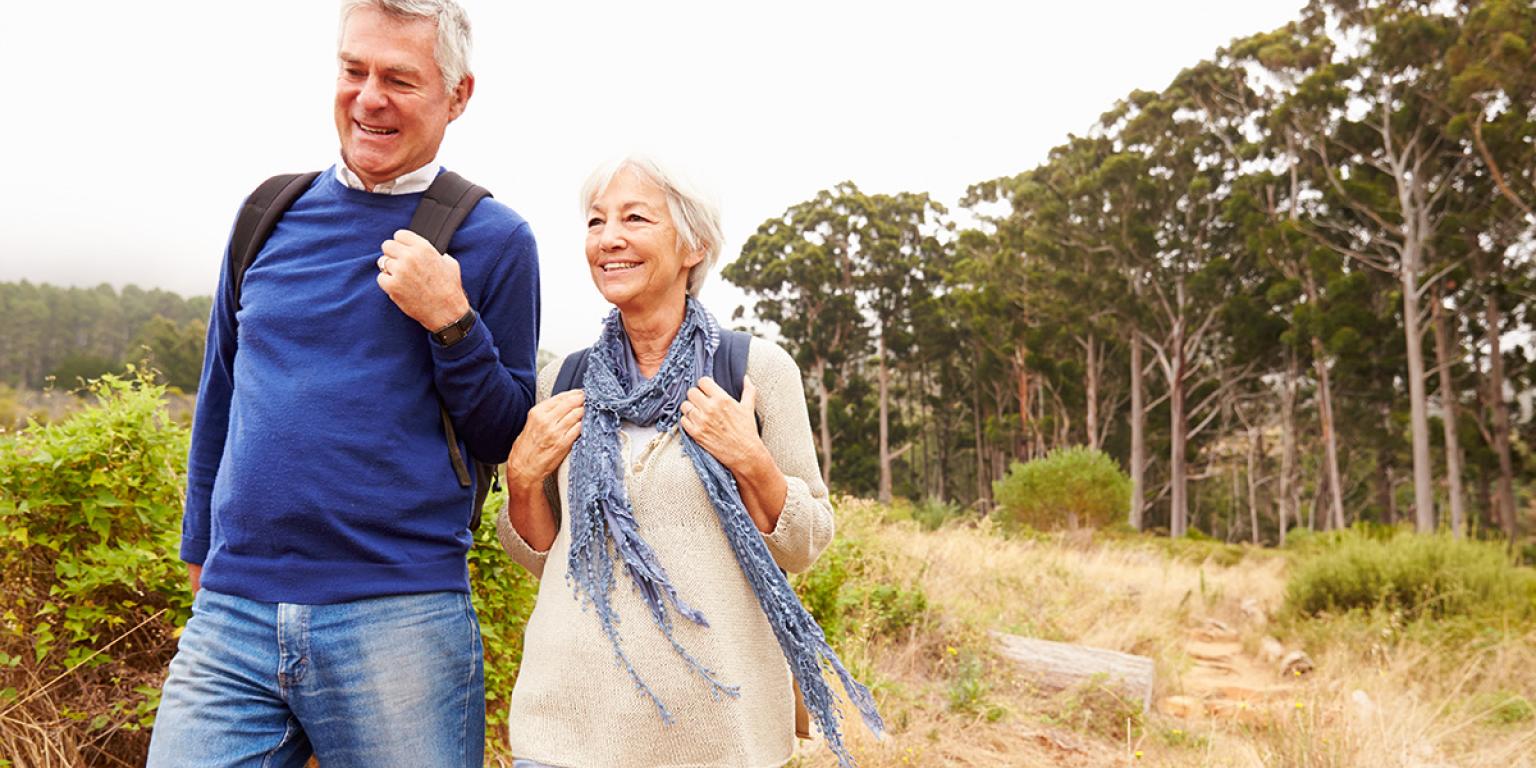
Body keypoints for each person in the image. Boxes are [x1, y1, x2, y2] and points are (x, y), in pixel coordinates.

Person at [146, 1, 539, 766]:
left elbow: (505, 436)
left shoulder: (496, 240)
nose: (368, 98)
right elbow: (220, 393)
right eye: (353, 71)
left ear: (457, 96)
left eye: (399, 78)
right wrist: (202, 551)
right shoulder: (268, 213)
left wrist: (451, 321)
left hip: (399, 617)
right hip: (233, 615)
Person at [496, 156, 881, 768]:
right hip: (568, 728)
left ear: (694, 246)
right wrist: (521, 479)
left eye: (635, 217)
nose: (608, 238)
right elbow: (546, 561)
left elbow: (806, 543)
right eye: (596, 222)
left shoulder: (755, 373)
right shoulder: (562, 383)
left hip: (716, 734)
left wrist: (750, 458)